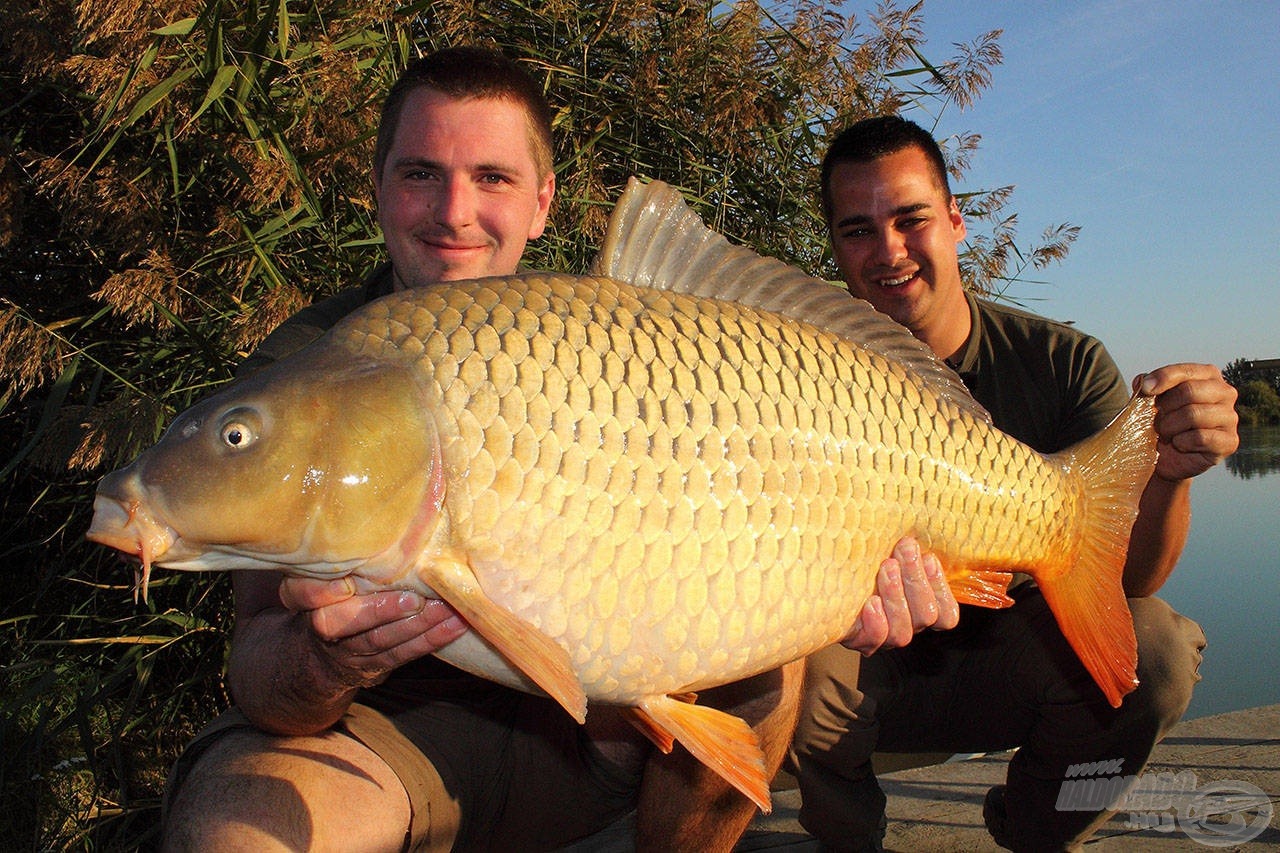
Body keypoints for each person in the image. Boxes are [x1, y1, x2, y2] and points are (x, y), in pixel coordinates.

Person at [158, 46, 909, 853]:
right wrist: (328, 658)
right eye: (419, 174)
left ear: (542, 202)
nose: (453, 210)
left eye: (493, 177)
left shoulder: (619, 335)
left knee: (773, 665)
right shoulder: (310, 370)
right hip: (396, 739)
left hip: (607, 741)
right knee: (234, 832)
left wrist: (862, 578)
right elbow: (263, 680)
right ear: (378, 189)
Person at [789, 115, 1241, 852]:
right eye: (858, 230)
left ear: (956, 222)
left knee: (1156, 653)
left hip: (1009, 665)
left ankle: (1039, 828)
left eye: (911, 219)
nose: (890, 250)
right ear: (835, 247)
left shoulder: (1062, 363)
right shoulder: (798, 369)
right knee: (775, 665)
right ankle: (846, 841)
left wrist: (1168, 474)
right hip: (856, 672)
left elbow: (1132, 575)